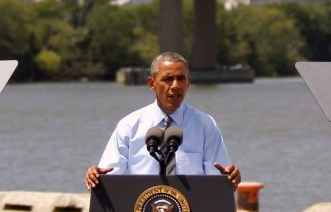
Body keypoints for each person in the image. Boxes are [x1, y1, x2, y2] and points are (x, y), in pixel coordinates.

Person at [85, 51, 240, 190]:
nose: (175, 85)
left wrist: (229, 180)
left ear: (188, 82)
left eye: (181, 79)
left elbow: (220, 182)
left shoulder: (205, 125)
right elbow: (108, 177)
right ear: (152, 84)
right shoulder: (129, 126)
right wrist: (95, 176)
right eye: (168, 79)